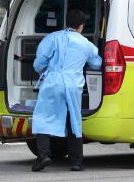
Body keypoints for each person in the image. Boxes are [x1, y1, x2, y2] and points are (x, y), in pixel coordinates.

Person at [31, 9, 102, 172]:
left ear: (66, 22)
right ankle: (76, 161)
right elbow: (96, 63)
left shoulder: (52, 38)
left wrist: (42, 70)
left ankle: (43, 155)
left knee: (43, 117)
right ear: (82, 26)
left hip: (52, 81)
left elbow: (40, 62)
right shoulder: (86, 44)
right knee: (74, 120)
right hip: (73, 84)